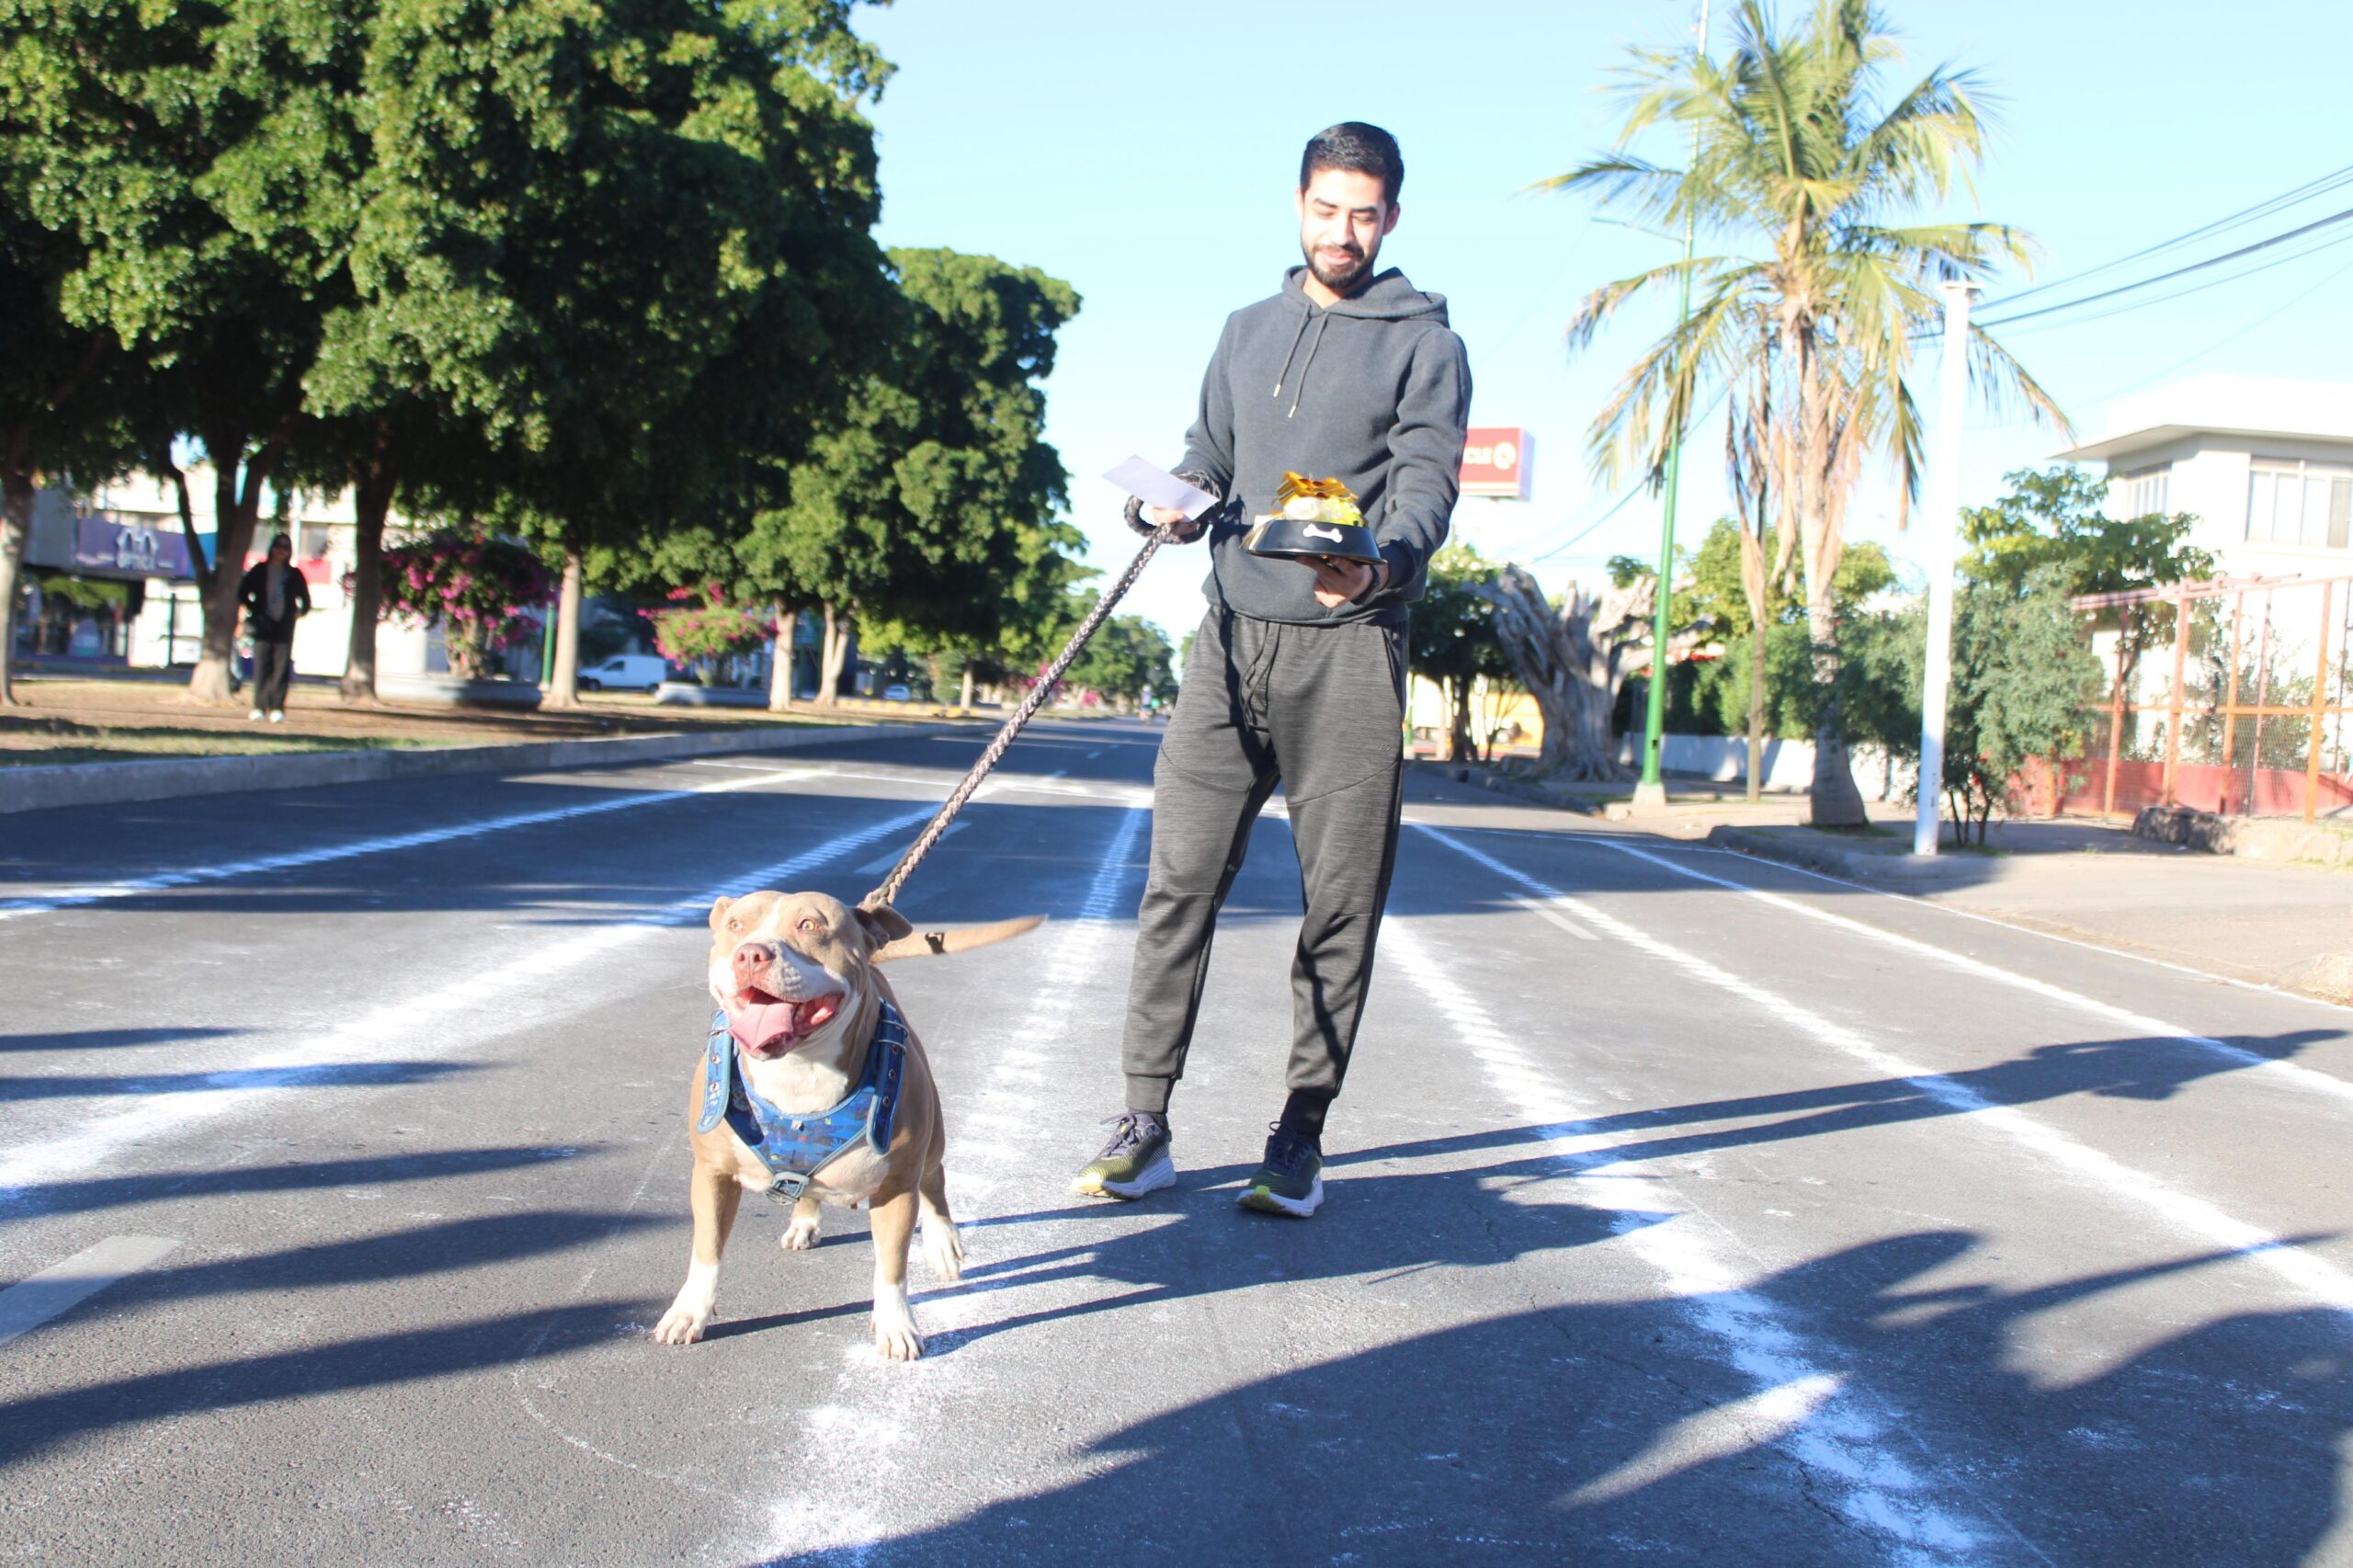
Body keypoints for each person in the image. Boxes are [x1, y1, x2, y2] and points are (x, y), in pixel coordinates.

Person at [1076, 122, 1471, 1219]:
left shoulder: (1425, 344)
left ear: (1390, 217)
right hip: (1226, 640)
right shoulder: (1246, 329)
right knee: (1176, 886)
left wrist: (1384, 566)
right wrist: (1165, 498)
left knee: (1338, 905)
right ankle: (1144, 1122)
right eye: (1324, 208)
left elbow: (1427, 484)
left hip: (1349, 650)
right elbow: (1209, 452)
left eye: (1363, 212)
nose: (1341, 230)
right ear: (1297, 204)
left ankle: (1299, 1133)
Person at [237, 533, 310, 722]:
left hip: (284, 628)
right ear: (271, 548)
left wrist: (298, 613)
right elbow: (243, 592)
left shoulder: (294, 574)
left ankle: (277, 707)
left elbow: (306, 600)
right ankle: (259, 707)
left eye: (285, 547)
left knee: (281, 668)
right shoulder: (260, 570)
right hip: (262, 627)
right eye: (278, 546)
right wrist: (255, 609)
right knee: (261, 666)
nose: (281, 550)